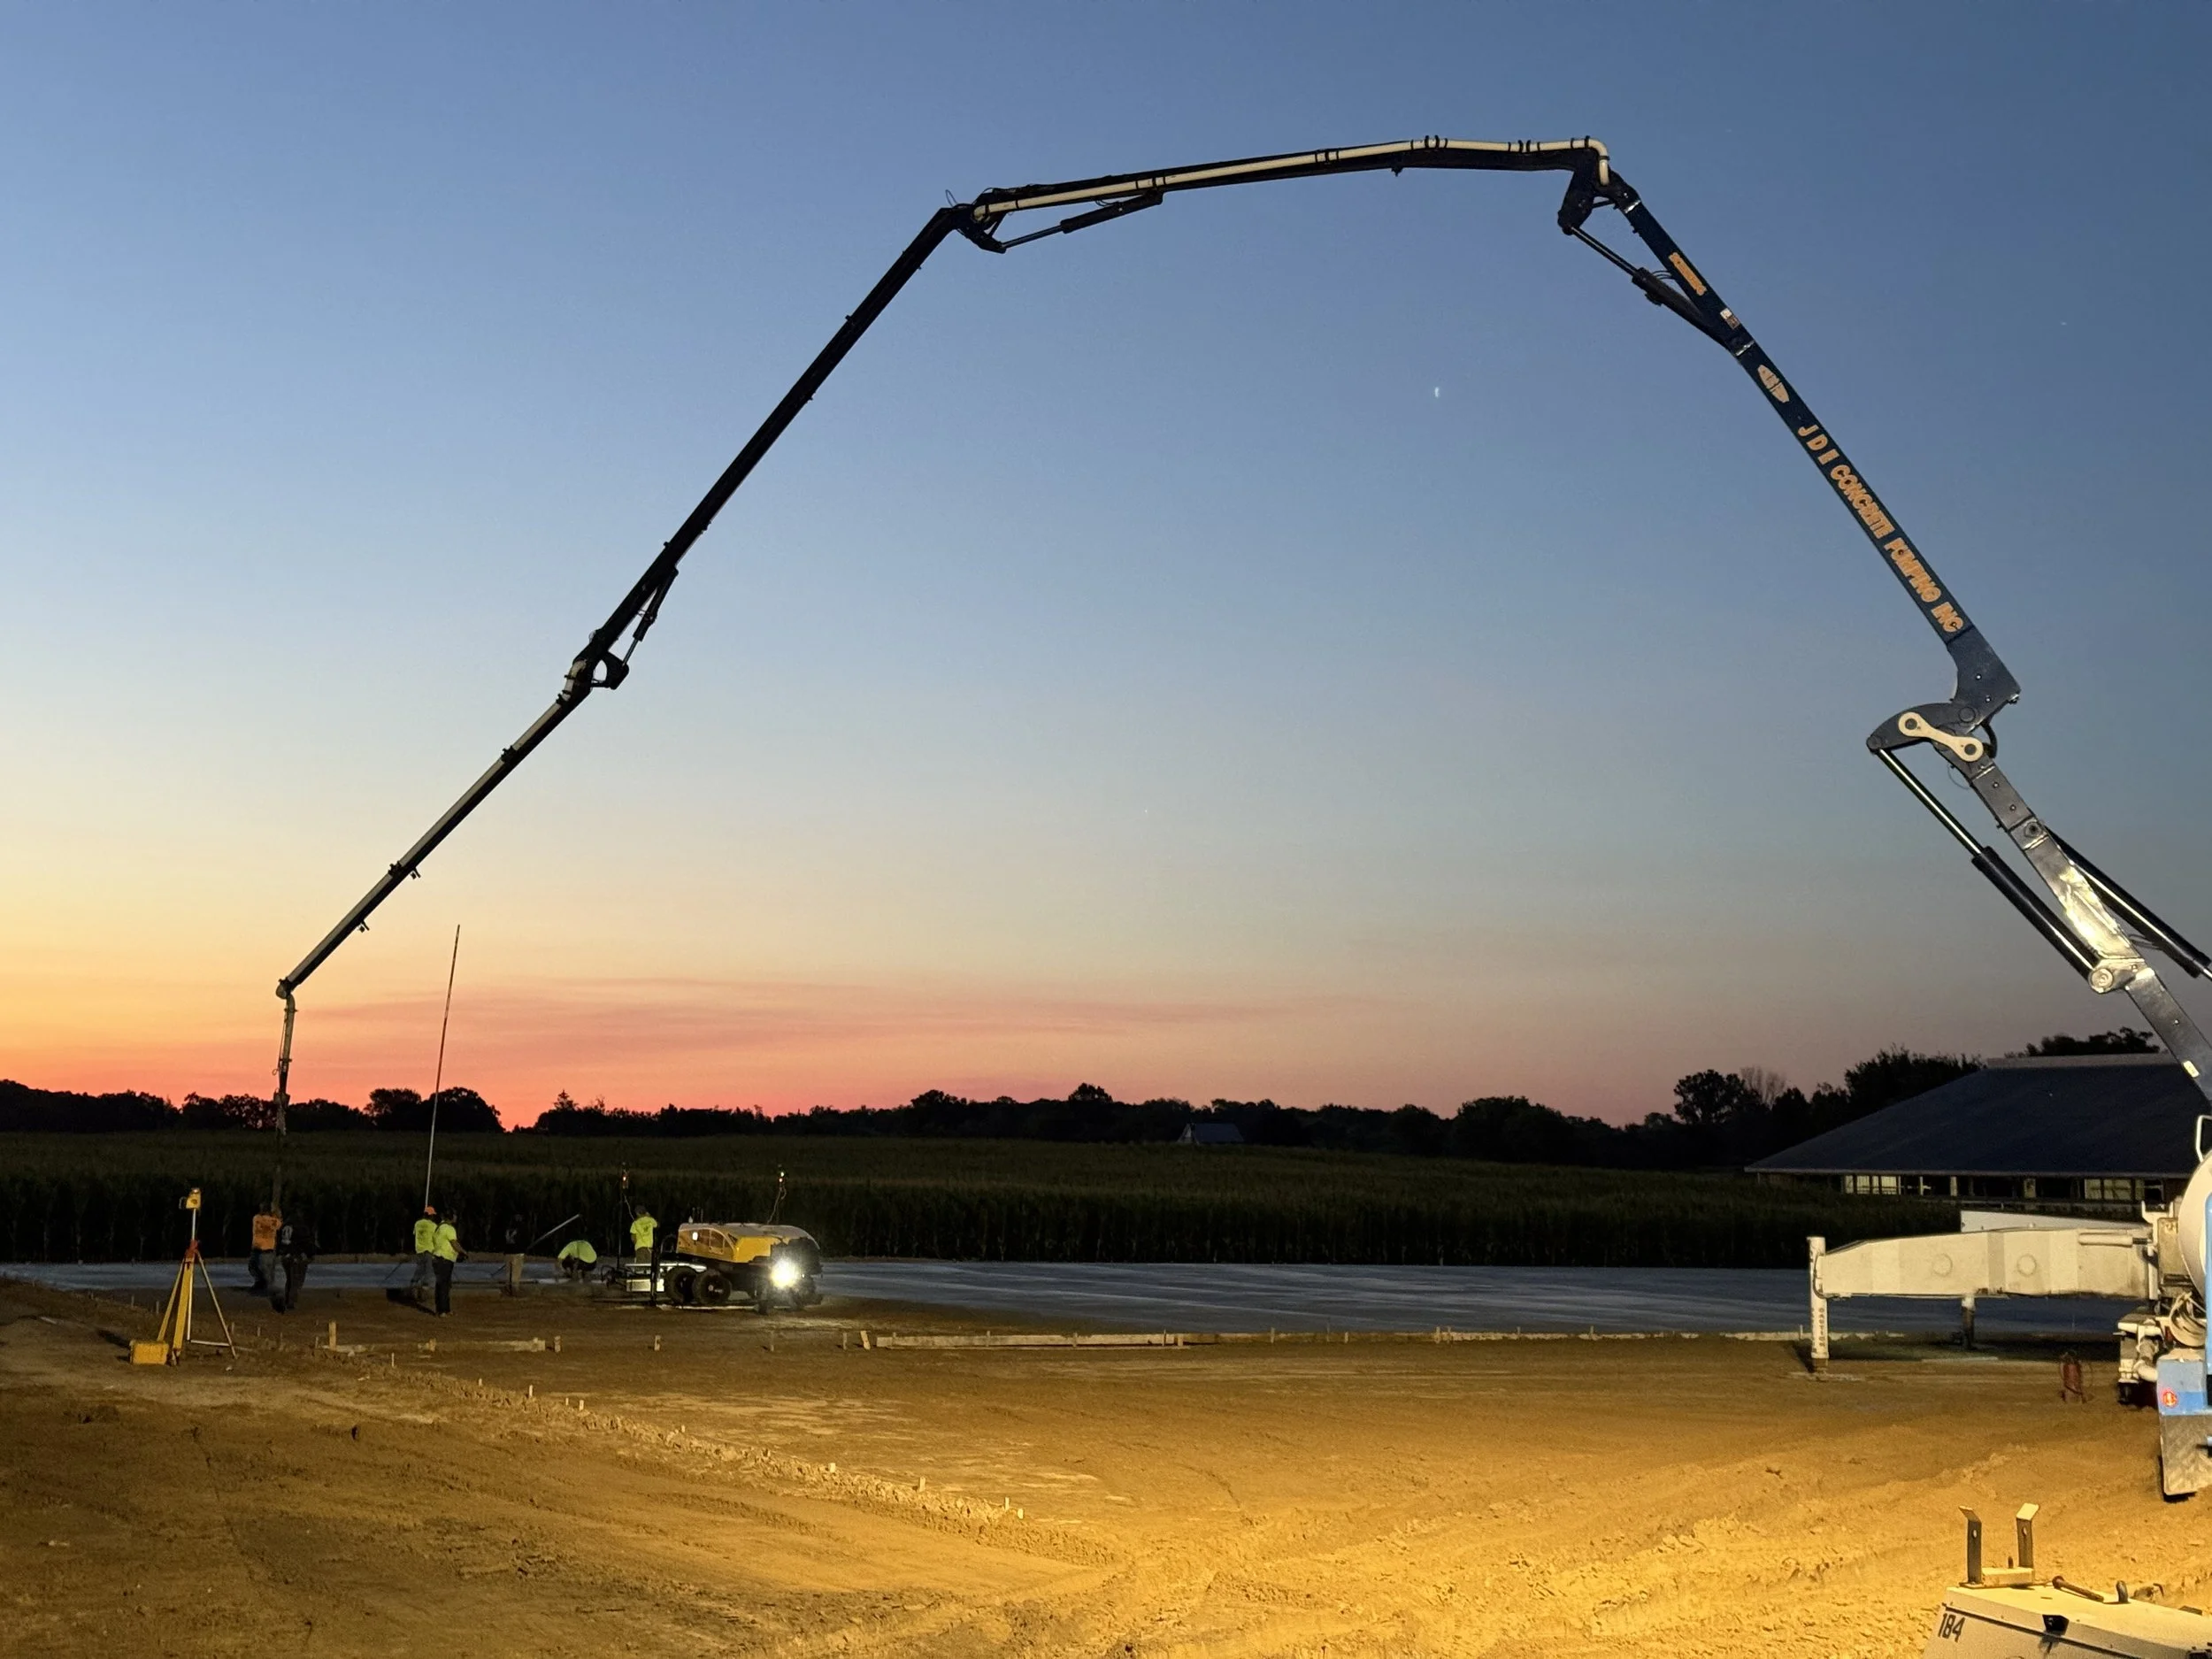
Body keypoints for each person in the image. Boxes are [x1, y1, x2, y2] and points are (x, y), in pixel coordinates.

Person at [273, 1217, 315, 1314]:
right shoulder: (301, 1227)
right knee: (296, 1281)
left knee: (290, 1280)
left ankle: (288, 1301)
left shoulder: (284, 1226)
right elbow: (306, 1242)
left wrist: (280, 1253)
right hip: (296, 1257)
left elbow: (278, 1241)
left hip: (285, 1257)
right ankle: (290, 1304)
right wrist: (310, 1254)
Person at [431, 1210, 464, 1317]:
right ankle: (443, 1310)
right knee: (444, 1285)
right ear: (451, 1217)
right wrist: (463, 1252)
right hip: (445, 1259)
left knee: (441, 1284)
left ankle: (442, 1309)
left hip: (437, 1258)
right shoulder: (449, 1228)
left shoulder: (439, 1227)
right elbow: (454, 1243)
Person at [250, 1207, 282, 1296]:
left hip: (262, 1248)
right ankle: (262, 1285)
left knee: (262, 1269)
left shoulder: (257, 1218)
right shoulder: (274, 1221)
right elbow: (278, 1224)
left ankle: (267, 1288)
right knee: (261, 1269)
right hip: (265, 1249)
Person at [411, 1206, 438, 1303]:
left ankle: (413, 1287)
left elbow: (415, 1234)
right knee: (428, 1272)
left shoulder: (417, 1223)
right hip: (429, 1251)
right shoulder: (433, 1226)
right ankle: (423, 1293)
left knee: (419, 1270)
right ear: (430, 1215)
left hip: (419, 1250)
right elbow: (436, 1238)